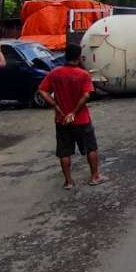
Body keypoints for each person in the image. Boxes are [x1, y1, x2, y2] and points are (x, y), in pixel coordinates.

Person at [37, 44, 107, 189]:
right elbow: (87, 95)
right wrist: (74, 112)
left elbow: (42, 91)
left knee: (64, 151)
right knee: (90, 148)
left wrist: (55, 106)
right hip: (81, 119)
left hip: (61, 120)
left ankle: (68, 181)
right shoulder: (83, 74)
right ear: (78, 57)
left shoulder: (55, 73)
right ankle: (94, 176)